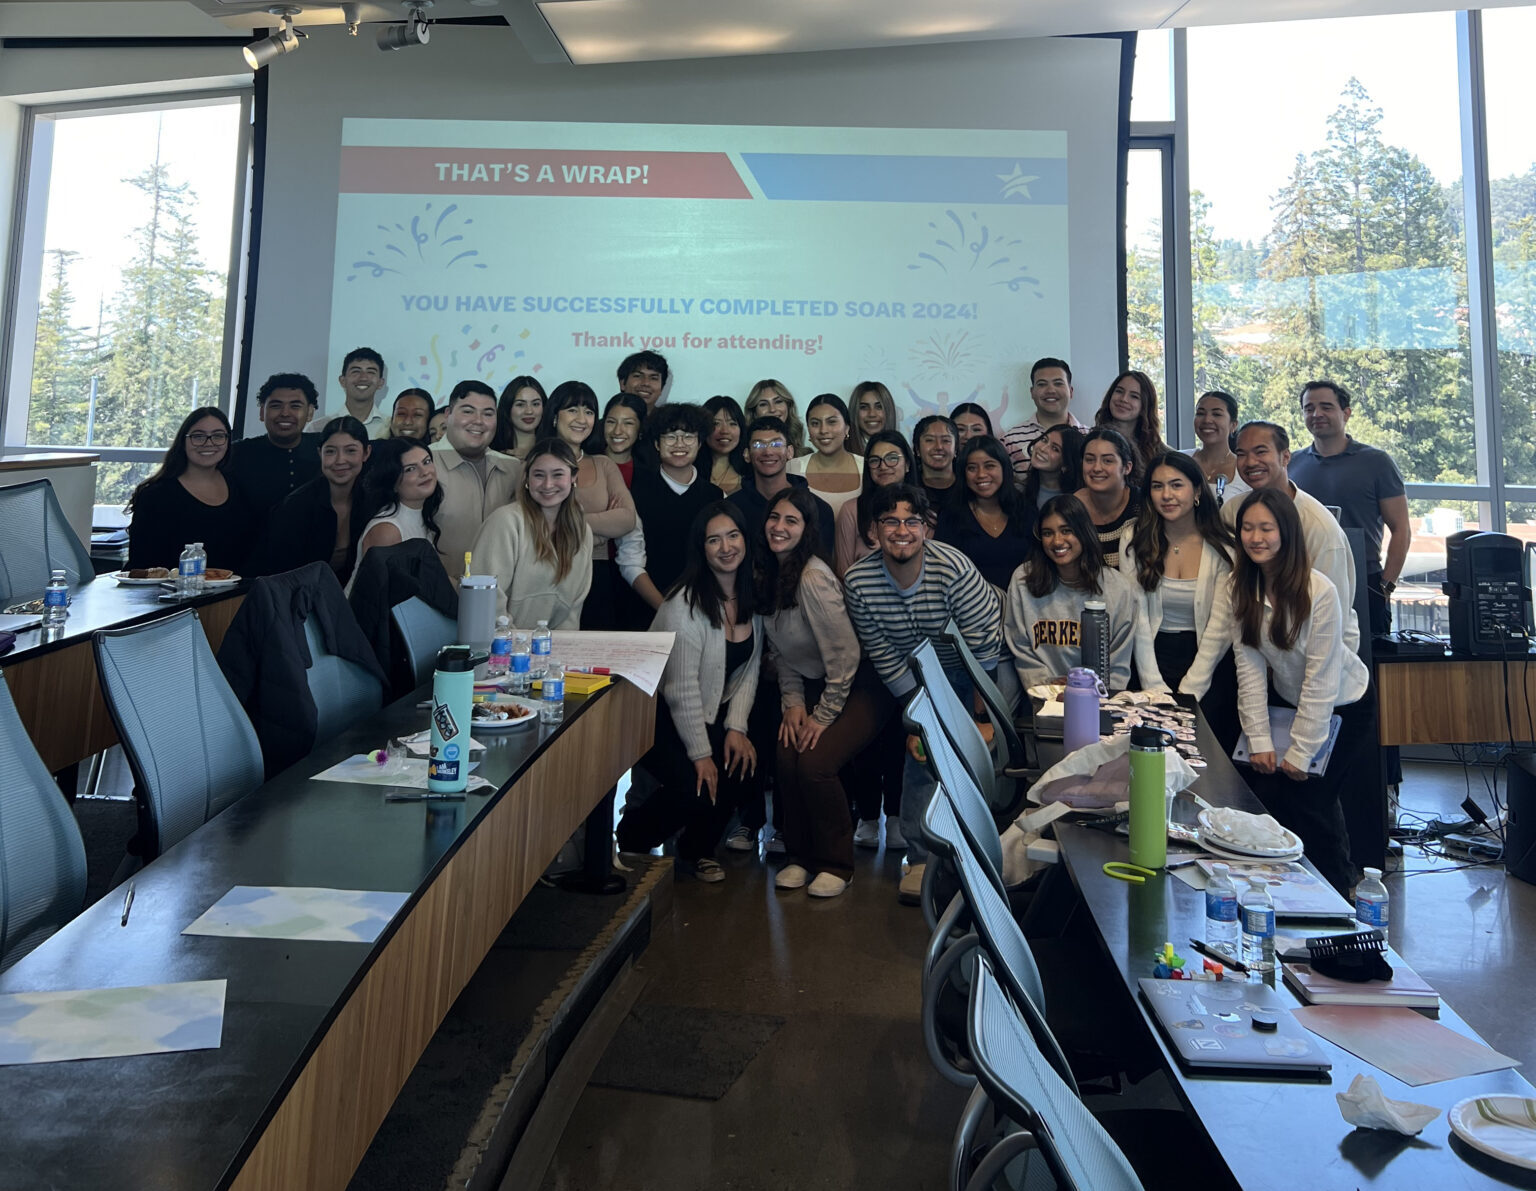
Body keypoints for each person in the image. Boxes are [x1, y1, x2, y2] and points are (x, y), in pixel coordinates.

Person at [843, 484, 1002, 904]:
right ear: (873, 530)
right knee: (923, 752)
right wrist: (920, 718)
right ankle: (919, 856)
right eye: (890, 521)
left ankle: (976, 852)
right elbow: (885, 655)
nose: (902, 531)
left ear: (926, 528)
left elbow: (984, 649)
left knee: (973, 752)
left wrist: (980, 717)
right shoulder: (858, 582)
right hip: (920, 673)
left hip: (981, 666)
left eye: (911, 521)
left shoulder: (954, 569)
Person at [1225, 488, 1373, 894]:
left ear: (1287, 532)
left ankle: (1339, 901)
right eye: (1247, 528)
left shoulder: (1319, 590)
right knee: (1273, 797)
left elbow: (1321, 680)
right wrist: (1258, 740)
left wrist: (1303, 750)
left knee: (1313, 803)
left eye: (1266, 528)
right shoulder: (1240, 586)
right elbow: (1249, 670)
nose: (1256, 538)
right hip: (1289, 699)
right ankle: (1282, 896)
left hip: (1344, 704)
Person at [758, 487, 893, 898]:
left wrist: (822, 716)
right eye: (774, 518)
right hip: (816, 684)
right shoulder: (768, 575)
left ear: (807, 529)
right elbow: (782, 653)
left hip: (861, 682)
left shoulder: (813, 577)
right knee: (786, 754)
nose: (779, 527)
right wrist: (794, 704)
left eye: (791, 521)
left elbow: (845, 656)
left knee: (815, 761)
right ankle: (800, 856)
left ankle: (836, 863)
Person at [617, 502, 761, 883]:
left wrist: (737, 728)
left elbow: (749, 669)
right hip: (655, 715)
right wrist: (701, 754)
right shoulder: (685, 605)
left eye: (733, 536)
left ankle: (696, 850)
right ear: (701, 548)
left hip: (708, 709)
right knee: (695, 784)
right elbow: (680, 690)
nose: (726, 547)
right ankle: (631, 836)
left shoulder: (750, 595)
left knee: (741, 764)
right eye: (714, 540)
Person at [1121, 451, 1241, 749]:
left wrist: (1193, 687)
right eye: (1157, 486)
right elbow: (1137, 616)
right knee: (1149, 748)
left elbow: (1221, 625)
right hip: (1149, 655)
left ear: (1197, 491)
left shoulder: (1224, 544)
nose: (1167, 495)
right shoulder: (1134, 537)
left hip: (1209, 660)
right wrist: (1153, 684)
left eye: (1177, 485)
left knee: (1204, 752)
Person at [1288, 380, 1410, 637]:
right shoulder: (1292, 464)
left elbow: (1401, 530)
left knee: (1365, 658)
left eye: (1326, 407)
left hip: (1364, 582)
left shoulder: (1377, 462)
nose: (1316, 414)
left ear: (1346, 413)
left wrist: (1385, 587)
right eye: (1309, 408)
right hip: (1302, 579)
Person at [1224, 421, 1358, 653]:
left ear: (1285, 457)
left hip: (1319, 651)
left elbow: (1334, 612)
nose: (1250, 462)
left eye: (1260, 452)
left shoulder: (1319, 526)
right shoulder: (1231, 511)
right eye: (1241, 454)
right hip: (1256, 644)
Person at [1003, 494, 1137, 690]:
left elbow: (1117, 662)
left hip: (1098, 697)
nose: (1057, 541)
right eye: (1048, 533)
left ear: (1083, 531)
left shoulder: (1118, 588)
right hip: (1041, 694)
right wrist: (1049, 688)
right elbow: (1021, 648)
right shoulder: (1024, 579)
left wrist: (1087, 691)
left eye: (1067, 531)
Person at [540, 380, 637, 630]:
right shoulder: (535, 463)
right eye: (573, 410)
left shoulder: (603, 464)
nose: (582, 419)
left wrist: (569, 520)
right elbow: (536, 523)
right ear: (554, 416)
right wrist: (601, 529)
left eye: (589, 411)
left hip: (597, 573)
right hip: (547, 570)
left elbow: (627, 519)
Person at [471, 438, 593, 627]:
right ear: (527, 479)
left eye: (558, 474)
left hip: (550, 643)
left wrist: (560, 644)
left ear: (573, 477)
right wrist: (513, 641)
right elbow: (485, 601)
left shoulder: (582, 532)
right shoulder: (505, 522)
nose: (548, 484)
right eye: (539, 475)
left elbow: (572, 612)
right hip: (502, 642)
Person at [626, 403, 723, 621]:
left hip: (703, 608)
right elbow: (630, 562)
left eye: (688, 436)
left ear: (700, 443)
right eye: (670, 437)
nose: (679, 444)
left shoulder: (715, 496)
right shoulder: (636, 494)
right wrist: (666, 610)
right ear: (656, 444)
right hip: (646, 608)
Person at [127, 406, 253, 572]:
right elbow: (141, 564)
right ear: (183, 442)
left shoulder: (240, 487)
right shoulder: (156, 495)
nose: (209, 443)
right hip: (169, 587)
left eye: (218, 436)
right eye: (198, 436)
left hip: (234, 587)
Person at [258, 416, 372, 583]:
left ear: (366, 453)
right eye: (330, 451)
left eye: (350, 451)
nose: (340, 460)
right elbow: (281, 576)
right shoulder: (294, 507)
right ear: (320, 453)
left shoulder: (372, 501)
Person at [431, 381, 523, 576]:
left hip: (499, 587)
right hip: (437, 588)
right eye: (468, 411)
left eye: (488, 414)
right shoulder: (425, 464)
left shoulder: (513, 468)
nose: (478, 421)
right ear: (448, 414)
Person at [937, 435, 1034, 593]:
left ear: (1004, 468)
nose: (981, 474)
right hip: (969, 604)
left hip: (1023, 602)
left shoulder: (1025, 510)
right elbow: (943, 572)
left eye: (989, 466)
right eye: (972, 468)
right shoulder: (951, 516)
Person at [727, 416, 835, 553]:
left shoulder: (819, 509)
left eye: (776, 444)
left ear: (790, 452)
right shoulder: (731, 508)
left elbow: (821, 562)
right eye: (758, 445)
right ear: (747, 454)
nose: (768, 452)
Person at [228, 373, 320, 522]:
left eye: (295, 406)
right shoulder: (237, 454)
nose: (285, 413)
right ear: (262, 412)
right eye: (276, 406)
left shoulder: (326, 449)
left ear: (310, 413)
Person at [351, 437, 443, 583]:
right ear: (393, 482)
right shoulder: (387, 530)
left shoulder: (422, 514)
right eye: (410, 469)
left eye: (426, 462)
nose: (425, 472)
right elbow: (383, 591)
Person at [834, 429, 918, 578]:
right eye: (874, 460)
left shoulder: (923, 509)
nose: (883, 466)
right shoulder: (852, 510)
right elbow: (843, 573)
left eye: (892, 458)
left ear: (907, 464)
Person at [1000, 357, 1087, 486]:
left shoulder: (1089, 437)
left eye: (1058, 383)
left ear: (1071, 391)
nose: (1050, 390)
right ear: (1032, 392)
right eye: (1042, 384)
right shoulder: (1010, 440)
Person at [1073, 427, 1141, 569]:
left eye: (1108, 461)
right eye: (1089, 460)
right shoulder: (1071, 509)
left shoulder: (1143, 504)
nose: (1097, 468)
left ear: (1127, 467)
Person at [787, 393, 862, 518]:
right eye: (815, 423)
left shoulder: (867, 467)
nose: (823, 430)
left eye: (831, 422)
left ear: (847, 428)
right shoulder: (792, 468)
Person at [1094, 370, 1166, 480]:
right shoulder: (1091, 441)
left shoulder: (1160, 452)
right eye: (1119, 391)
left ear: (1145, 405)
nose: (1123, 399)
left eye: (1134, 396)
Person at [317, 347, 389, 437]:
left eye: (371, 372)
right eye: (356, 371)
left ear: (380, 383)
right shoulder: (318, 427)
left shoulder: (390, 428)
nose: (363, 378)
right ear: (342, 381)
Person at [1186, 389, 1240, 497]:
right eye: (1200, 413)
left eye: (1216, 414)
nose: (1207, 420)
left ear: (1233, 425)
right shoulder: (1181, 459)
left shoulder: (1243, 469)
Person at [1022, 424, 1085, 510]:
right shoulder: (1021, 490)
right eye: (1044, 440)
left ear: (1066, 464)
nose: (1043, 449)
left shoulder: (1077, 500)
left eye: (1055, 449)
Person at [745, 378, 807, 457]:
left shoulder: (806, 454)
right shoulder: (743, 449)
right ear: (754, 412)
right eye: (763, 404)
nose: (772, 409)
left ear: (788, 406)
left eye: (778, 402)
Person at [598, 392, 648, 485]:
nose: (617, 431)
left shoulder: (650, 473)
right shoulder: (586, 463)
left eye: (628, 423)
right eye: (611, 422)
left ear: (640, 428)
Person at [704, 395, 749, 496]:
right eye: (716, 423)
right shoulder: (689, 471)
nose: (724, 431)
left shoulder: (751, 473)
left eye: (732, 423)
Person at [492, 375, 545, 458]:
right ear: (507, 408)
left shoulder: (553, 452)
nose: (529, 411)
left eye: (535, 404)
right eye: (520, 404)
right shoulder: (491, 453)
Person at [913, 414, 959, 510]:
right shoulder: (907, 488)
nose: (938, 447)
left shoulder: (969, 486)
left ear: (955, 449)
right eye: (929, 440)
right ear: (917, 449)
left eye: (946, 440)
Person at [849, 380, 899, 454]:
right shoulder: (842, 452)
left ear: (889, 411)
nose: (872, 414)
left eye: (879, 407)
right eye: (864, 407)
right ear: (854, 411)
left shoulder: (901, 451)